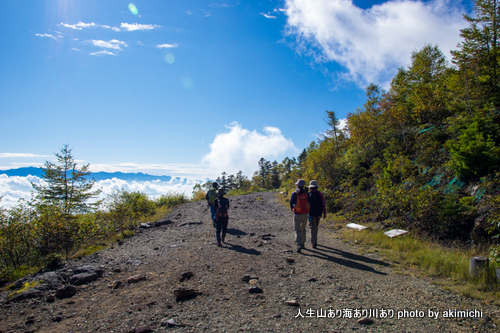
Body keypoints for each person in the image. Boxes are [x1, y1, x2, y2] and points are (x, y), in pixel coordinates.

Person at [290, 179, 309, 253]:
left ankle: (298, 244)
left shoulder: (294, 193)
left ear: (297, 185)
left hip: (297, 213)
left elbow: (291, 203)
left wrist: (293, 209)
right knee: (303, 229)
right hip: (305, 213)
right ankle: (302, 243)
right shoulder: (306, 193)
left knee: (297, 230)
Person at [307, 180, 327, 249]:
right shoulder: (320, 194)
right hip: (318, 213)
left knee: (312, 228)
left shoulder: (309, 194)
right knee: (316, 227)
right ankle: (315, 241)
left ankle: (314, 243)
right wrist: (324, 212)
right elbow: (323, 204)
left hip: (311, 213)